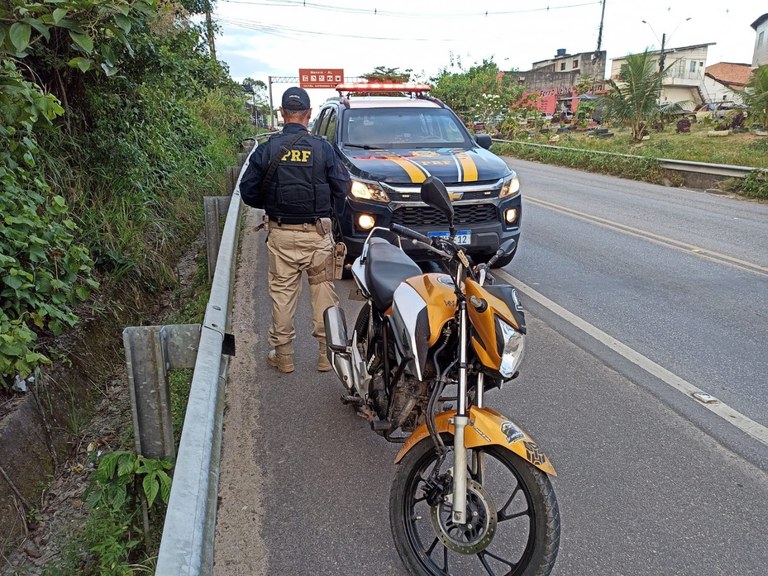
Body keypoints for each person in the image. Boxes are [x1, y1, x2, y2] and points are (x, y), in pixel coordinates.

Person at [240, 87, 351, 373]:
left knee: (282, 296)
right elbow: (342, 188)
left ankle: (284, 357)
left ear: (281, 114)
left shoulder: (267, 149)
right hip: (317, 237)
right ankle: (327, 357)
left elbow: (249, 193)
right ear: (309, 114)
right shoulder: (323, 149)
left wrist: (274, 200)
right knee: (324, 295)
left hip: (280, 235)